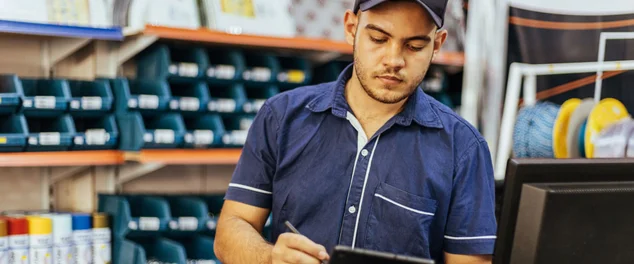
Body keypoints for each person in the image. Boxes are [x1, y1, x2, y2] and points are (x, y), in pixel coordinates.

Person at [213, 0, 497, 263]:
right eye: (378, 39)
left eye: (414, 46)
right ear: (351, 28)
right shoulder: (281, 116)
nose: (393, 60)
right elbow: (231, 229)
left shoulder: (463, 149)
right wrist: (270, 257)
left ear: (437, 45)